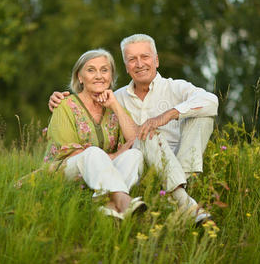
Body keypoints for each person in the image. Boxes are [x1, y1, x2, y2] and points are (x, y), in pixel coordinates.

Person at [49, 34, 218, 224]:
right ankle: (180, 200)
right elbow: (132, 137)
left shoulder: (176, 87)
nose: (139, 64)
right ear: (126, 67)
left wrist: (167, 115)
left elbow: (211, 101)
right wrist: (59, 103)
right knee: (145, 135)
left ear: (156, 60)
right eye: (132, 59)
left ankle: (177, 191)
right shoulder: (116, 98)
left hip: (180, 164)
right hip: (142, 167)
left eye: (145, 57)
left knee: (204, 115)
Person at [41, 48, 146, 220]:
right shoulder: (65, 105)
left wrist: (116, 107)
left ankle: (108, 205)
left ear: (111, 77)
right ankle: (123, 200)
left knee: (135, 155)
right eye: (91, 70)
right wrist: (114, 155)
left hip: (99, 175)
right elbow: (72, 152)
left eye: (104, 70)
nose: (99, 76)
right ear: (80, 78)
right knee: (93, 153)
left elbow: (136, 141)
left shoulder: (114, 108)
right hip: (64, 171)